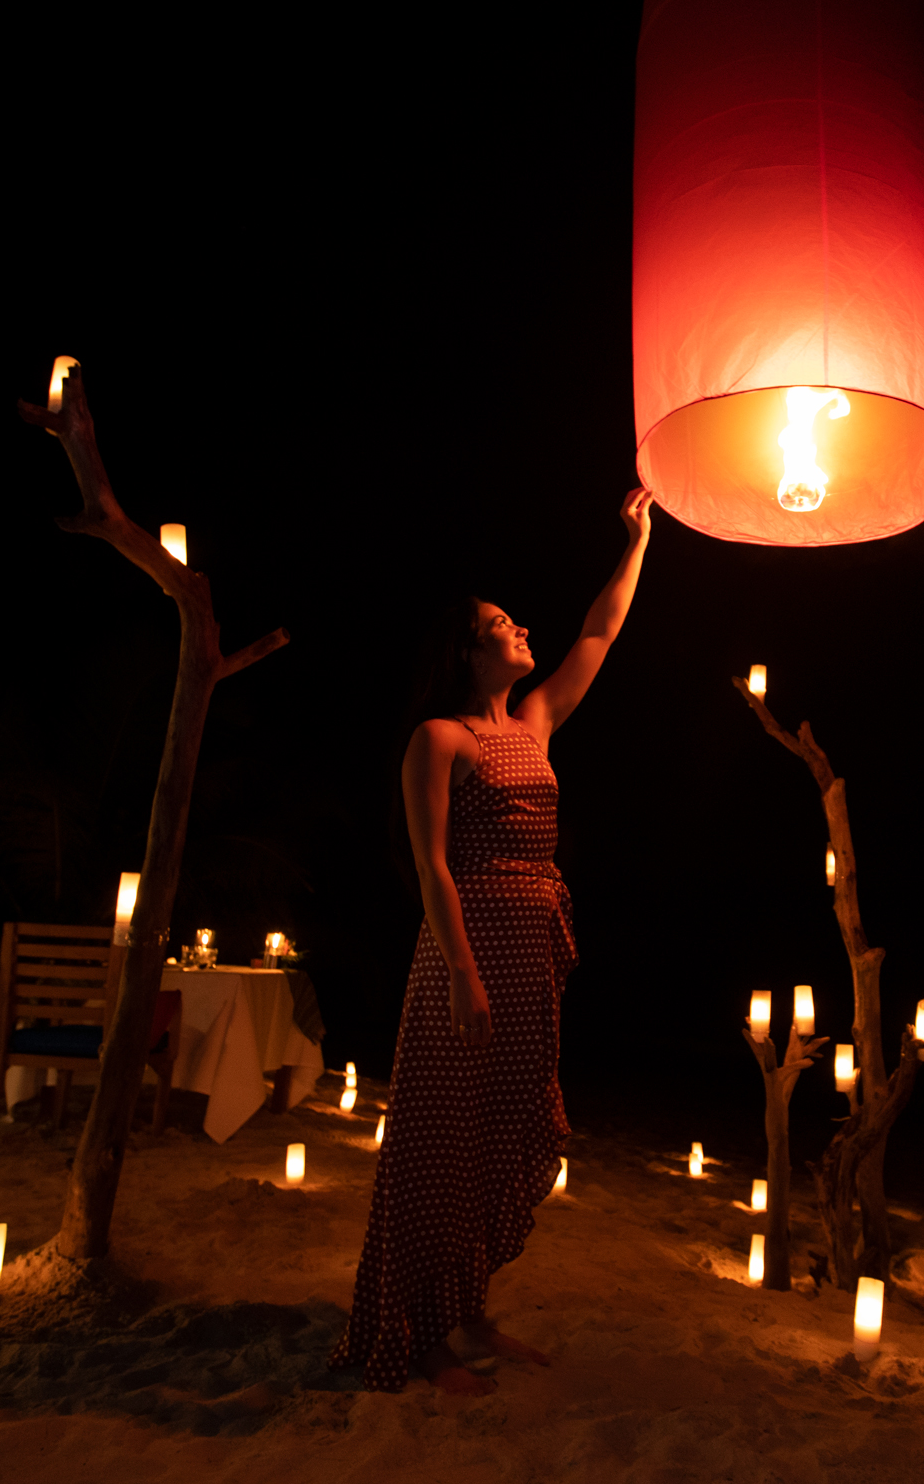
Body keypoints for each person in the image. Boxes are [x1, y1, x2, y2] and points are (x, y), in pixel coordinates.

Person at [331, 487, 655, 1395]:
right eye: (502, 625)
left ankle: (466, 1311)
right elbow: (432, 868)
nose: (522, 630)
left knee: (496, 1138)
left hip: (530, 955)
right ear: (468, 652)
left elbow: (600, 634)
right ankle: (418, 1334)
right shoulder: (439, 739)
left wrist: (638, 542)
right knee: (437, 1145)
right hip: (465, 954)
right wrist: (462, 975)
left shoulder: (533, 724)